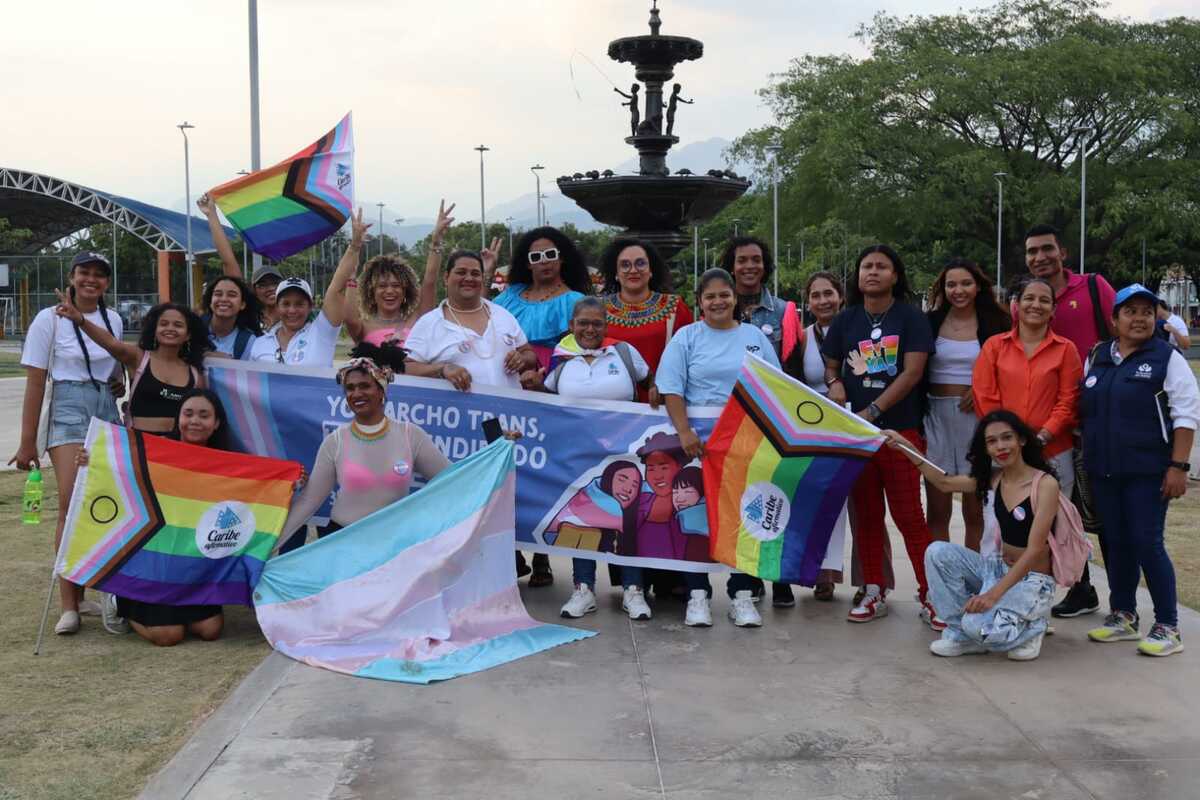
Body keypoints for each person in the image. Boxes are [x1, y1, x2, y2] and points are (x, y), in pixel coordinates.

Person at [822, 245, 940, 628]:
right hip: (857, 437)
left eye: (881, 266)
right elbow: (831, 365)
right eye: (866, 266)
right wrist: (835, 382)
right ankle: (874, 590)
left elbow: (911, 374)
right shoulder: (845, 320)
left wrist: (873, 411)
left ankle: (932, 594)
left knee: (909, 516)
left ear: (895, 275)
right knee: (867, 517)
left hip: (898, 432)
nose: (872, 272)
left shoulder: (911, 319)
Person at [656, 267, 780, 628]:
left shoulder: (754, 336)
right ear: (699, 302)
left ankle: (741, 594)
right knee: (698, 519)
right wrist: (684, 432)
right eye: (709, 296)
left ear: (735, 298)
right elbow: (671, 388)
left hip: (745, 440)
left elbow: (774, 386)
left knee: (743, 517)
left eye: (724, 295)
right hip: (699, 444)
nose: (718, 302)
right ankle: (698, 595)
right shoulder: (686, 337)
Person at [1081, 284, 1200, 657]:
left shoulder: (1167, 358)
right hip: (1104, 471)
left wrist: (1179, 467)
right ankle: (1123, 615)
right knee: (1116, 544)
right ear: (1114, 319)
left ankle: (1168, 625)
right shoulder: (1098, 356)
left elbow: (1186, 415)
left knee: (1147, 543)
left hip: (1148, 471)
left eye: (1147, 312)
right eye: (1130, 311)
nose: (1140, 318)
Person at [885, 411, 1060, 661]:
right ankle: (962, 634)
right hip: (995, 568)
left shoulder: (1045, 485)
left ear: (1021, 440)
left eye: (1006, 438)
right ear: (986, 448)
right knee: (937, 552)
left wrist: (992, 595)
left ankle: (1034, 627)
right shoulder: (994, 479)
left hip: (1032, 580)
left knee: (985, 630)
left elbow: (1034, 551)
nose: (1000, 446)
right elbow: (944, 483)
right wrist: (906, 447)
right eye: (992, 441)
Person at [11, 252, 124, 635]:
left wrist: (119, 380)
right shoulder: (49, 319)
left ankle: (102, 591)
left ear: (107, 282)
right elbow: (36, 381)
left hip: (106, 408)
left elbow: (116, 364)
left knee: (107, 500)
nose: (91, 280)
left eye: (99, 275)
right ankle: (68, 603)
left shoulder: (114, 319)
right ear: (72, 277)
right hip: (68, 406)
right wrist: (28, 443)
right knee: (71, 499)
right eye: (84, 273)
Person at [75, 390, 235, 645]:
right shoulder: (155, 452)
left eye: (204, 415)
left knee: (211, 629)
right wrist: (91, 459)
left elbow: (258, 491)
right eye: (188, 413)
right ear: (178, 418)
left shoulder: (230, 465)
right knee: (168, 636)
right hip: (153, 561)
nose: (195, 420)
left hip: (193, 566)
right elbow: (118, 468)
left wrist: (292, 481)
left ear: (216, 423)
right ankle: (118, 600)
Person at [528, 298, 654, 620]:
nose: (590, 329)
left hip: (624, 455)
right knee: (584, 519)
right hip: (578, 456)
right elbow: (547, 400)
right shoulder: (562, 358)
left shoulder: (624, 353)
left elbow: (652, 384)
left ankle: (633, 590)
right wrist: (530, 388)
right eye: (583, 323)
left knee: (627, 521)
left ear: (606, 326)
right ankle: (583, 589)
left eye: (597, 323)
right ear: (572, 325)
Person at [1022, 223, 1114, 617]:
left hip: (1096, 420)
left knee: (1104, 512)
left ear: (1062, 252)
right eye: (1032, 252)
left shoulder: (1093, 288)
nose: (1040, 258)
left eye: (1046, 249)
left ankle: (1123, 599)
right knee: (1064, 513)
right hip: (1054, 431)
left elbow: (1125, 335)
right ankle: (1082, 588)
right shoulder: (1025, 302)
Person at [280, 344, 451, 544]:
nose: (357, 393)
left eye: (365, 386)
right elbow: (309, 501)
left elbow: (454, 478)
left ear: (381, 390)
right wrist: (268, 547)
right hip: (343, 542)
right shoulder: (335, 441)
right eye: (350, 388)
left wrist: (494, 463)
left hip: (394, 546)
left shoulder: (410, 435)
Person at [923, 259, 1010, 550]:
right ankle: (940, 583)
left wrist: (983, 388)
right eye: (951, 284)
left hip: (977, 419)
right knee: (936, 509)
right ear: (943, 288)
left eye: (965, 283)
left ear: (978, 286)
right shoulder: (930, 322)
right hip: (935, 416)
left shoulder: (997, 322)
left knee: (975, 511)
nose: (958, 290)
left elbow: (1009, 368)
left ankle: (973, 581)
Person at [790, 271, 866, 602]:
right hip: (818, 429)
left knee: (864, 506)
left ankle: (871, 578)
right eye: (816, 295)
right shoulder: (803, 339)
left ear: (841, 297)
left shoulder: (860, 331)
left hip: (855, 423)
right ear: (808, 303)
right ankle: (822, 575)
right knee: (820, 504)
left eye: (829, 294)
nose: (823, 301)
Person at [973, 277, 1081, 506]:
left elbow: (1068, 402)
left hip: (1054, 449)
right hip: (1004, 450)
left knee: (1056, 527)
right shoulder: (994, 346)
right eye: (1029, 298)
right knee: (1003, 526)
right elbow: (985, 397)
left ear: (1053, 309)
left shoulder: (1066, 349)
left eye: (1044, 300)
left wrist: (1041, 437)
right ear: (1016, 304)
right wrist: (1008, 439)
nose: (1036, 305)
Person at [55, 297, 210, 435]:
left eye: (178, 325)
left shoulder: (195, 374)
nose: (170, 329)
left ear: (188, 334)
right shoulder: (139, 358)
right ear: (155, 330)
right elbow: (110, 342)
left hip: (176, 452)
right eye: (163, 324)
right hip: (138, 447)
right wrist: (80, 319)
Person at [405, 250, 538, 392]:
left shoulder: (502, 315)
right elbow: (407, 368)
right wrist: (442, 369)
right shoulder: (429, 323)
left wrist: (521, 359)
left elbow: (528, 353)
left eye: (475, 274)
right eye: (461, 272)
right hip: (459, 412)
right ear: (446, 278)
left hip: (508, 411)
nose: (469, 278)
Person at [248, 208, 364, 365]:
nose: (292, 310)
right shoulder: (260, 344)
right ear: (277, 306)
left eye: (299, 304)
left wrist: (355, 246)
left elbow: (336, 288)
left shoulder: (322, 331)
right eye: (286, 304)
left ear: (311, 306)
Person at [344, 201, 451, 347]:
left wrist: (436, 240)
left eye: (396, 285)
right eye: (382, 286)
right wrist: (354, 250)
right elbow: (350, 319)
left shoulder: (418, 320)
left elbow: (429, 282)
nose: (390, 291)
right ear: (372, 292)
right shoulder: (363, 326)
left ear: (405, 291)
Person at [598, 237, 693, 389]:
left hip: (662, 402)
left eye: (640, 263)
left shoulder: (675, 307)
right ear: (615, 273)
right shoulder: (598, 310)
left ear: (651, 270)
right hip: (611, 402)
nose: (633, 270)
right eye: (625, 265)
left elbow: (691, 356)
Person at [493, 226, 591, 371]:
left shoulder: (575, 302)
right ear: (528, 263)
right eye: (536, 257)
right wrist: (488, 273)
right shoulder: (510, 295)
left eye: (550, 254)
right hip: (507, 374)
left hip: (551, 378)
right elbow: (479, 313)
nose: (544, 261)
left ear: (561, 257)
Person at [197, 192, 282, 329]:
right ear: (253, 290)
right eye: (263, 285)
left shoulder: (295, 317)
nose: (270, 288)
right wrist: (211, 214)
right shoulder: (250, 315)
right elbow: (228, 261)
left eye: (275, 283)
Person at [201, 274, 262, 359]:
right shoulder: (193, 330)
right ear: (210, 302)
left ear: (242, 304)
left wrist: (229, 361)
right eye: (218, 294)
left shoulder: (249, 341)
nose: (224, 299)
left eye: (232, 295)